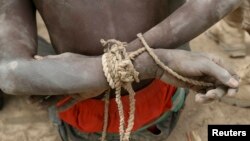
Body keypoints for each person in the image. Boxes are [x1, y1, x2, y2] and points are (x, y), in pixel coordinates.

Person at [0, 0, 241, 140]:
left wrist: (107, 70)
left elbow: (11, 72)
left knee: (38, 68)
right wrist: (153, 62)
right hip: (161, 103)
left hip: (89, 127)